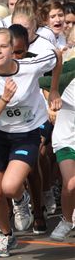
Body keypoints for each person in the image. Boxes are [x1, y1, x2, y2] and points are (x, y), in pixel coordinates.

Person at [0, 28, 61, 257]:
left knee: (10, 187)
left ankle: (20, 199)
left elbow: (57, 55)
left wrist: (53, 91)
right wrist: (4, 99)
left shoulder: (30, 68)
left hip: (27, 133)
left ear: (13, 49)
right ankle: (6, 235)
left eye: (4, 46)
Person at [49, 77, 75, 242]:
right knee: (71, 184)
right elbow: (44, 81)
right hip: (65, 138)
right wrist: (51, 96)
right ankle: (66, 220)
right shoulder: (69, 73)